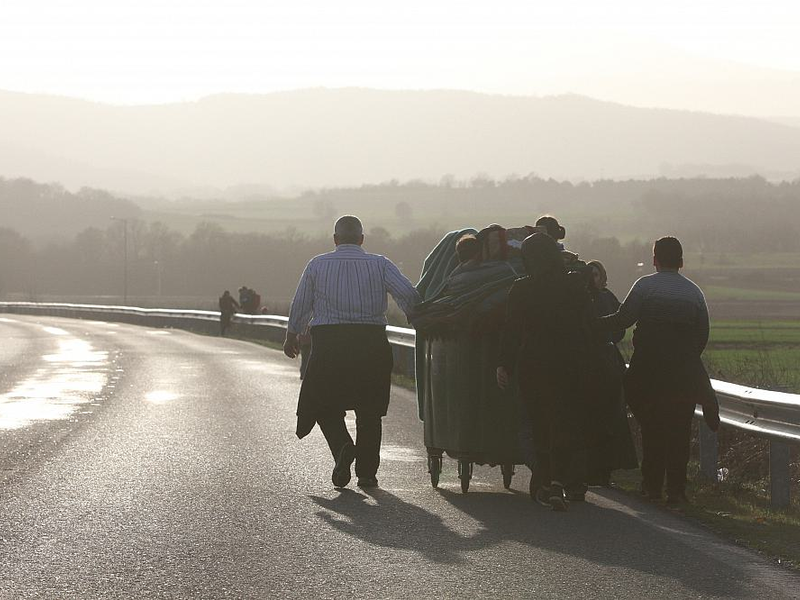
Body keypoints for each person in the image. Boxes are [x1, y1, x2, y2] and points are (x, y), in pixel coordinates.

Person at [284, 215, 421, 489]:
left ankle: (343, 446)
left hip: (330, 344)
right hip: (370, 342)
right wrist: (416, 317)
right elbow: (408, 294)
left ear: (335, 240)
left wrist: (292, 334)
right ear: (361, 239)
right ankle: (367, 474)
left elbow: (301, 302)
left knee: (322, 403)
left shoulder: (317, 264)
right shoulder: (380, 263)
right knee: (369, 410)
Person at [597, 237, 719, 504]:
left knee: (652, 427)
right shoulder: (694, 292)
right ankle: (676, 490)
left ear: (655, 260)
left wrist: (590, 323)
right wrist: (685, 358)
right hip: (683, 372)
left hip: (647, 371)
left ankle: (652, 485)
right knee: (679, 430)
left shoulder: (645, 286)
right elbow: (702, 334)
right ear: (681, 261)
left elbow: (623, 319)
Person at [497, 233, 593, 511]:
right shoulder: (574, 284)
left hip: (534, 363)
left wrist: (504, 362)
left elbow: (512, 330)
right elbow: (588, 323)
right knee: (565, 420)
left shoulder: (522, 289)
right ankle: (562, 481)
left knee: (539, 424)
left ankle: (545, 481)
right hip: (570, 361)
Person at [585, 260, 638, 486]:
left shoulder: (607, 298)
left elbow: (619, 328)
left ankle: (605, 469)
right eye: (591, 275)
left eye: (597, 275)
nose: (594, 279)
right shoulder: (581, 299)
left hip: (607, 360)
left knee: (610, 416)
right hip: (586, 361)